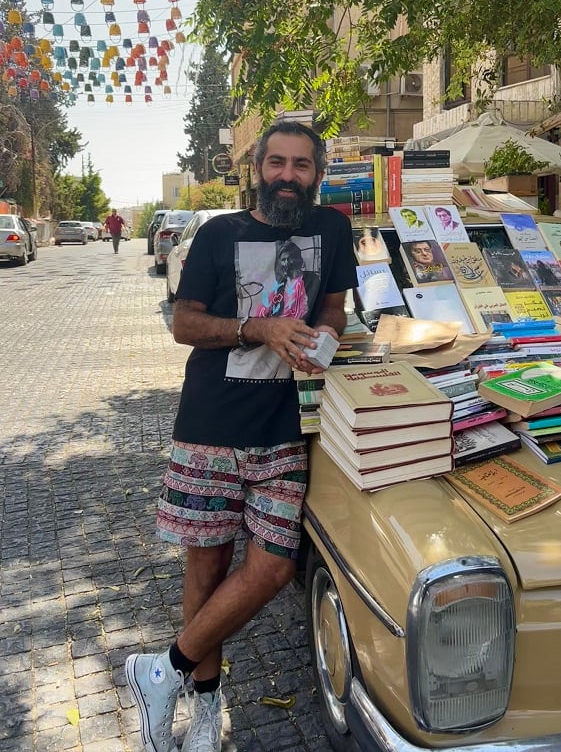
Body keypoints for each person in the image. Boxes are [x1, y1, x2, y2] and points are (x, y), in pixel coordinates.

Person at [125, 121, 357, 752]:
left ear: (317, 174)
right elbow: (184, 324)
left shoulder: (332, 230)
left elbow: (333, 306)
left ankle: (162, 669)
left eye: (301, 165)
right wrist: (256, 328)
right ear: (257, 167)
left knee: (274, 566)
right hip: (211, 425)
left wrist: (326, 341)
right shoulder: (217, 234)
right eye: (277, 162)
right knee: (208, 563)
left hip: (285, 427)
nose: (288, 175)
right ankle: (203, 705)